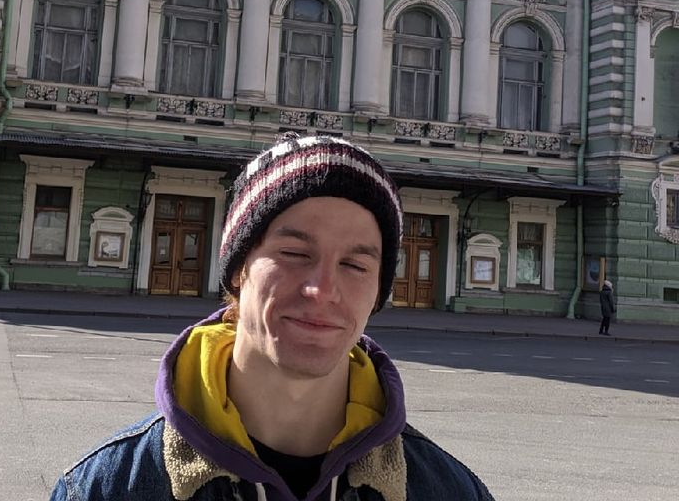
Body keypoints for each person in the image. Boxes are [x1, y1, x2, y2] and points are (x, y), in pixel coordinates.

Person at [50, 133, 496, 500]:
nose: (322, 289)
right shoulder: (107, 488)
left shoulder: (446, 490)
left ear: (379, 290)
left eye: (356, 265)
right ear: (240, 269)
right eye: (294, 253)